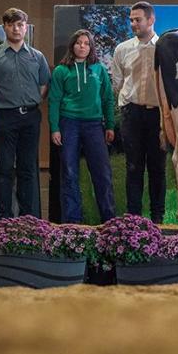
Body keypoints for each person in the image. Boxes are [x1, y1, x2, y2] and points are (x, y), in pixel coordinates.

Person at [0, 7, 50, 218]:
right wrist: (1, 105)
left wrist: (27, 103)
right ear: (4, 27)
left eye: (20, 24)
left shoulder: (37, 57)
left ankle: (28, 219)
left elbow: (44, 87)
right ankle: (5, 220)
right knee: (5, 169)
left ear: (25, 27)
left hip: (31, 118)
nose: (16, 29)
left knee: (27, 169)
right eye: (12, 24)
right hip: (4, 118)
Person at [49, 29, 116, 224]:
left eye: (86, 43)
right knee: (69, 172)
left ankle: (109, 220)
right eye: (79, 42)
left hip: (94, 125)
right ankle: (72, 222)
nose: (82, 46)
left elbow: (107, 98)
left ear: (91, 47)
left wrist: (110, 125)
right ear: (72, 46)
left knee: (102, 173)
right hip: (68, 123)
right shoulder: (61, 70)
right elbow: (54, 100)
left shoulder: (98, 69)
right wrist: (55, 128)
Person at [111, 1, 166, 224]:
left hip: (157, 115)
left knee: (157, 167)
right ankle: (133, 220)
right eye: (131, 20)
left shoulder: (164, 48)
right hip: (131, 114)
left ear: (151, 20)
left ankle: (158, 219)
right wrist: (126, 105)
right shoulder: (122, 49)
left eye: (138, 19)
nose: (134, 23)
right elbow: (117, 82)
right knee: (133, 167)